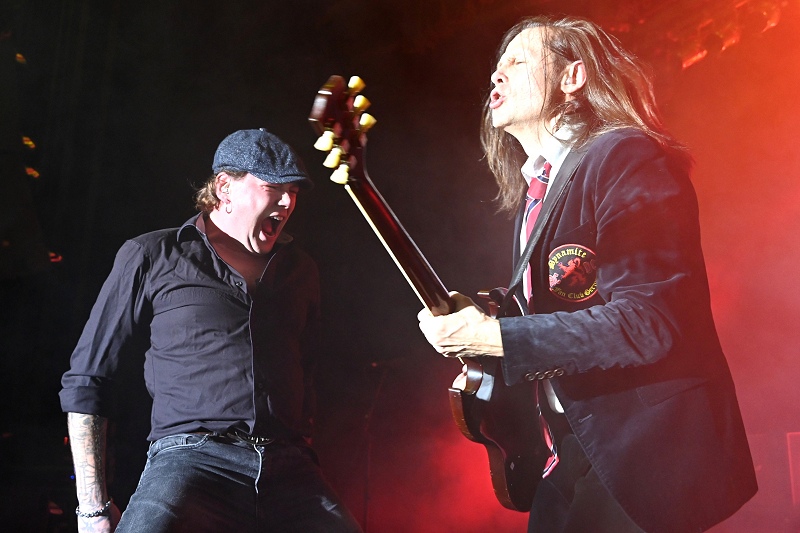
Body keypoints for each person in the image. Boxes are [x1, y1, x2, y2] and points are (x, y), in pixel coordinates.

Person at [417, 15, 757, 533]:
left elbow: (647, 320)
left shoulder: (627, 156)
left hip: (643, 453)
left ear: (572, 77)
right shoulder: (539, 188)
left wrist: (494, 336)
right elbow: (570, 304)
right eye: (496, 67)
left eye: (518, 62)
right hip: (573, 445)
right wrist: (490, 315)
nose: (496, 75)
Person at [60, 128, 362, 533]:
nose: (288, 202)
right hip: (192, 458)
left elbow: (307, 373)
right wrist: (92, 509)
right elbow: (87, 380)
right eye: (273, 188)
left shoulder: (300, 270)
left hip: (289, 466)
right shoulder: (153, 254)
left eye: (293, 191)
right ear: (224, 188)